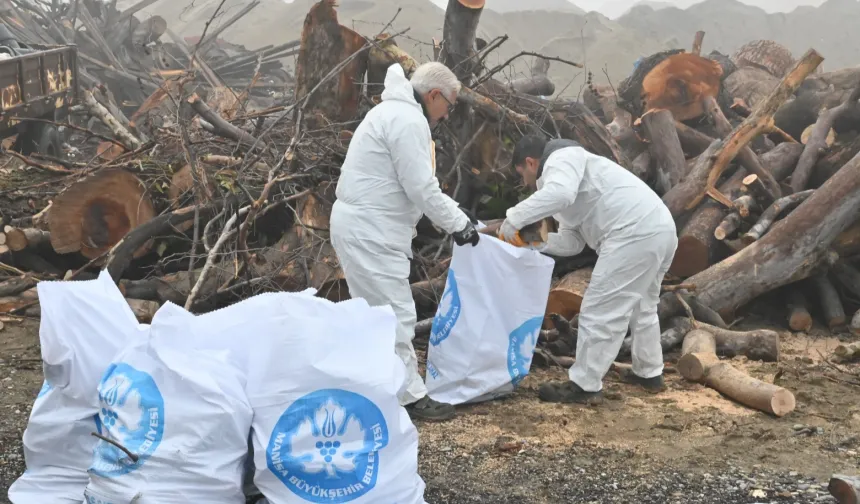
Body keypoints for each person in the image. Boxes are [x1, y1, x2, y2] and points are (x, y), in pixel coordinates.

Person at [330, 62, 480, 421]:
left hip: (367, 226)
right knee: (394, 315)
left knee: (374, 315)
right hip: (371, 229)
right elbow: (421, 187)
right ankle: (409, 397)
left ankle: (375, 387)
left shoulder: (393, 112)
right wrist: (459, 224)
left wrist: (454, 215)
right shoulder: (408, 120)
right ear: (434, 95)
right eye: (449, 105)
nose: (447, 114)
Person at [498, 136, 678, 404]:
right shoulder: (569, 176)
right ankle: (649, 373)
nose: (525, 183)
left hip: (633, 232)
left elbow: (560, 194)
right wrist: (534, 243)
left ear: (531, 162)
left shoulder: (561, 159)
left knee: (598, 309)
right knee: (643, 305)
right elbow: (573, 242)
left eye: (522, 174)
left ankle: (584, 385)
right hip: (657, 229)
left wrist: (513, 218)